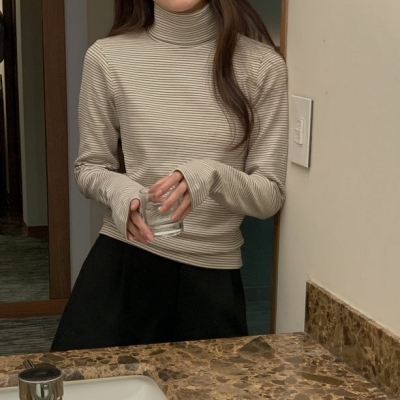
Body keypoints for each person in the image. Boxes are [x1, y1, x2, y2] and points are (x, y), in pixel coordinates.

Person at [51, 0, 288, 351]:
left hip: (212, 281)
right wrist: (121, 190)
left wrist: (212, 175)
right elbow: (89, 167)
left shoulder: (263, 66)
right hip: (123, 268)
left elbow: (270, 195)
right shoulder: (106, 57)